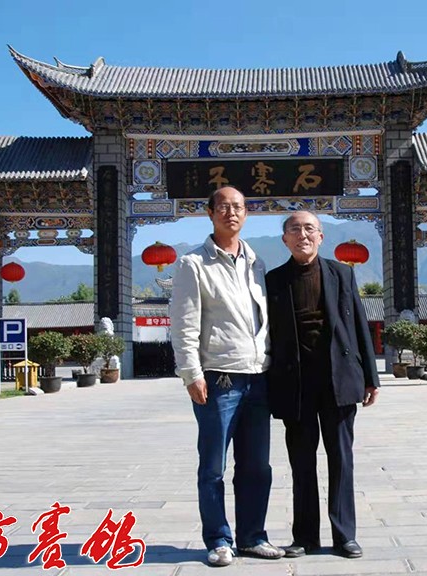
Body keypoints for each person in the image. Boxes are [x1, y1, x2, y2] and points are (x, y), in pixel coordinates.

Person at [169, 186, 284, 567]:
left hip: (257, 377)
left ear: (246, 214)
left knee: (257, 467)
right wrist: (191, 373)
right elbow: (184, 324)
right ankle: (219, 539)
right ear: (210, 213)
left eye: (238, 207)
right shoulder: (193, 264)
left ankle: (252, 536)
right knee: (213, 467)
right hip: (219, 379)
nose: (231, 213)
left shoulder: (257, 263)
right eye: (223, 207)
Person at [265, 210, 380, 559]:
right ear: (285, 239)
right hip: (295, 381)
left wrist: (371, 377)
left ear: (320, 237)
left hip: (338, 378)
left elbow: (359, 324)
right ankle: (305, 537)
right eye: (295, 229)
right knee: (301, 462)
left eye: (309, 229)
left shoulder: (342, 273)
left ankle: (345, 535)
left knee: (341, 458)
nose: (302, 235)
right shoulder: (273, 280)